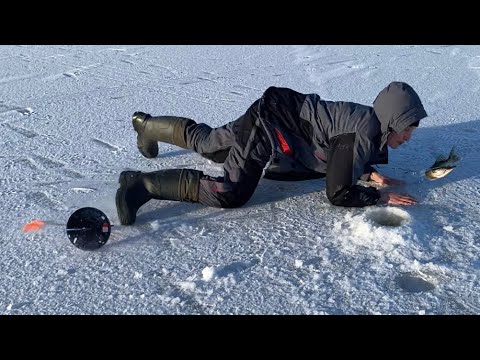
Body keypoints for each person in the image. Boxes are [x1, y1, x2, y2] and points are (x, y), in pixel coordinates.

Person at [116, 81, 426, 225]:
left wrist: (368, 173)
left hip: (275, 108)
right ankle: (141, 185)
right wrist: (377, 197)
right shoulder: (360, 133)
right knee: (231, 192)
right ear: (391, 122)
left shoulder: (367, 125)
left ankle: (148, 126)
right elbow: (338, 192)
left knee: (212, 144)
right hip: (269, 124)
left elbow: (339, 153)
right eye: (407, 129)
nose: (409, 137)